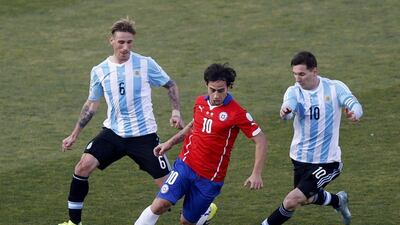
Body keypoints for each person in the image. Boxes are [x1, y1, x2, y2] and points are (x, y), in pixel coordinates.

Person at [58, 18, 186, 225]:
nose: (125, 47)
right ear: (111, 41)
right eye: (121, 42)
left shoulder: (145, 63)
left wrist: (176, 112)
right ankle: (73, 223)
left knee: (170, 188)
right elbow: (92, 104)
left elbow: (170, 85)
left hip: (144, 136)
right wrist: (74, 134)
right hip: (113, 133)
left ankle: (204, 211)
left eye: (129, 42)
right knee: (82, 166)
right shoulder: (99, 70)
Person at [134, 63, 268, 225]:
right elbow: (193, 126)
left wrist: (256, 173)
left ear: (228, 87)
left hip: (210, 177)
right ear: (206, 85)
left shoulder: (237, 113)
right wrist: (169, 143)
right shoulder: (200, 102)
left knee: (186, 222)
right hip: (186, 164)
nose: (216, 95)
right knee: (160, 204)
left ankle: (203, 215)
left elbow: (260, 140)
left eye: (221, 90)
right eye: (212, 90)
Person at [261, 51, 363, 225]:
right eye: (294, 74)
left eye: (302, 74)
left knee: (291, 201)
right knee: (307, 198)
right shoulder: (294, 91)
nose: (297, 78)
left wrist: (355, 113)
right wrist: (286, 111)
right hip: (300, 158)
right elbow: (289, 107)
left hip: (327, 161)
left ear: (314, 71)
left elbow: (354, 103)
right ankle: (338, 201)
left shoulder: (334, 87)